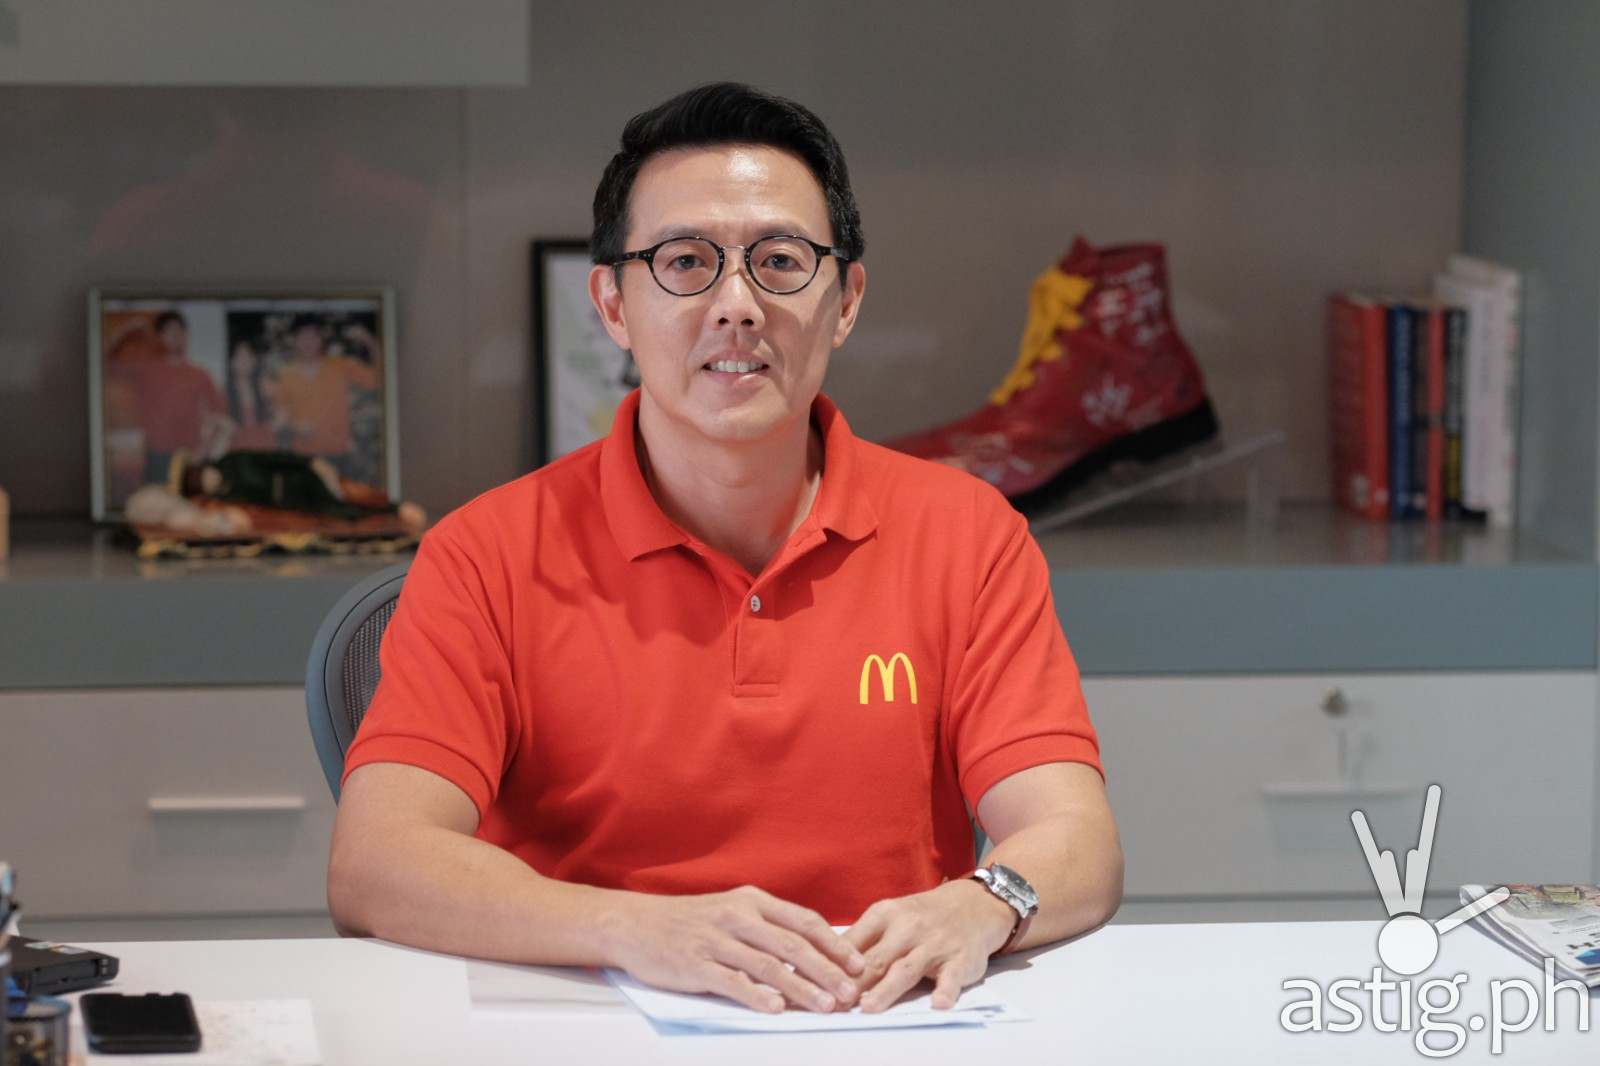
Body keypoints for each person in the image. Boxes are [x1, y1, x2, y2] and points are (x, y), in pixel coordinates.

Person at [328, 83, 1122, 1016]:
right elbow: (377, 863)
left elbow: (1077, 837)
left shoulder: (968, 534)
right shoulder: (487, 553)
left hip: (882, 1026)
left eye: (781, 261)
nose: (737, 305)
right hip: (592, 1026)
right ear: (613, 305)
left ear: (846, 300)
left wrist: (986, 902)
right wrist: (635, 928)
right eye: (685, 262)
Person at [269, 315, 383, 479]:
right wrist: (295, 426)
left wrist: (368, 339)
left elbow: (379, 379)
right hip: (302, 458)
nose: (308, 341)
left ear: (321, 339)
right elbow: (280, 420)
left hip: (339, 456)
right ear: (294, 340)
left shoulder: (340, 366)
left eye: (313, 336)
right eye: (303, 336)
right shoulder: (285, 376)